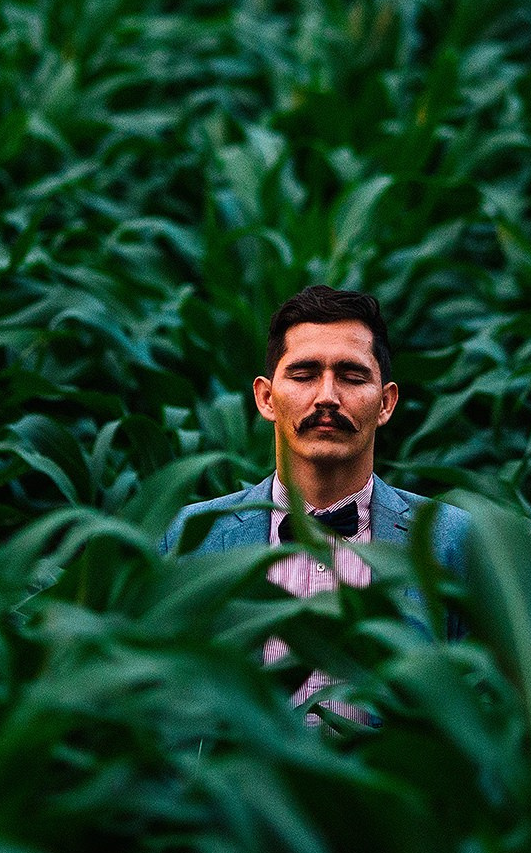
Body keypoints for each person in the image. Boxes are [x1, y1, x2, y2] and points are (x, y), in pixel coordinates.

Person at [161, 286, 472, 700]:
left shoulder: (452, 541)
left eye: (352, 376)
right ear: (266, 397)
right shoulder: (188, 537)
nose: (327, 396)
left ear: (386, 402)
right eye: (304, 375)